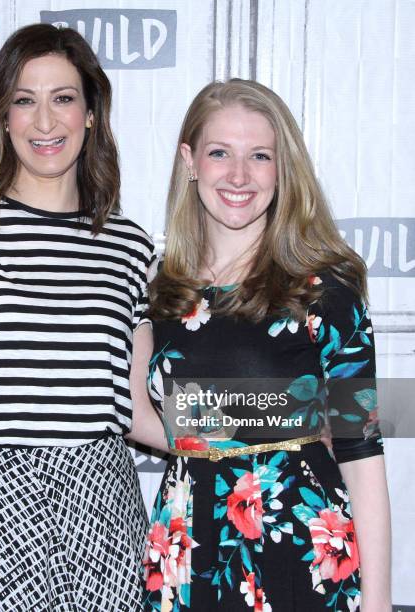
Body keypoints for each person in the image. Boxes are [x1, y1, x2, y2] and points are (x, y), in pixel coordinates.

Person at [0, 23, 162, 612]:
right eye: (24, 99)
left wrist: (284, 415)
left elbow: (141, 407)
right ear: (2, 115)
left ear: (91, 113)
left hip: (106, 520)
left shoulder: (128, 245)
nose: (45, 122)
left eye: (63, 98)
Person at [138, 79, 391, 611]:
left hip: (298, 548)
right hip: (186, 544)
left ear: (282, 169)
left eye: (259, 156)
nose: (238, 176)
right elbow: (141, 415)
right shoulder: (161, 290)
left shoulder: (326, 288)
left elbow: (361, 450)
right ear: (190, 161)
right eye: (219, 153)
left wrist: (379, 602)